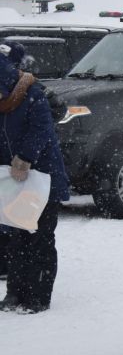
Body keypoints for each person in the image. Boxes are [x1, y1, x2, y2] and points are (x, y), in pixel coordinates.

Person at [0, 41, 69, 314]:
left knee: (39, 236)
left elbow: (42, 130)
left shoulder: (32, 93)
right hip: (13, 181)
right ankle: (15, 294)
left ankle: (38, 296)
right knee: (16, 237)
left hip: (41, 178)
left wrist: (25, 156)